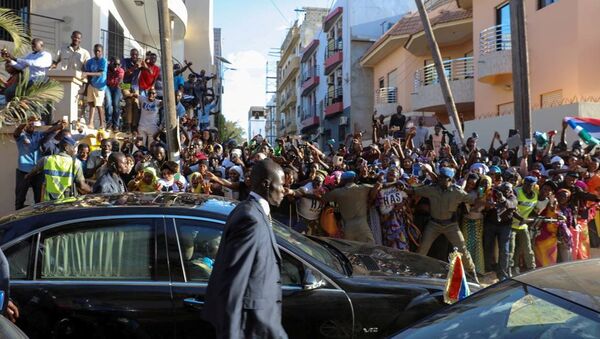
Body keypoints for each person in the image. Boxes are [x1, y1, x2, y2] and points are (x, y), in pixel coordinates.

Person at [204, 159, 288, 338]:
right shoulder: (250, 219)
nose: (284, 190)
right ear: (266, 184)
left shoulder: (252, 211)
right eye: (281, 185)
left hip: (264, 323)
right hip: (252, 326)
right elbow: (234, 282)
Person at [409, 167, 479, 278]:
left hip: (451, 225)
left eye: (444, 178)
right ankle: (415, 271)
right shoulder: (432, 189)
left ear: (450, 179)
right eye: (440, 177)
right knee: (422, 249)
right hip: (434, 224)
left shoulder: (456, 191)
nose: (441, 179)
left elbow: (471, 199)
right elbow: (414, 190)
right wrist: (404, 187)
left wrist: (482, 195)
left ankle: (471, 272)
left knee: (462, 249)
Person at [13, 117, 63, 209]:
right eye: (29, 123)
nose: (31, 125)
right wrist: (25, 122)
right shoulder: (21, 136)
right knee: (19, 200)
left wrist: (60, 126)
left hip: (38, 172)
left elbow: (49, 131)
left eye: (33, 124)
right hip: (23, 172)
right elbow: (17, 131)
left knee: (39, 200)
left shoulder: (38, 135)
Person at [30, 136, 91, 200]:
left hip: (48, 203)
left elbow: (31, 174)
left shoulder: (47, 159)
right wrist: (92, 191)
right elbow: (82, 186)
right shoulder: (76, 163)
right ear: (66, 148)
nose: (74, 150)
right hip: (66, 203)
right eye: (73, 147)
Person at [323, 171, 376, 244]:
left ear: (343, 180)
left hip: (348, 226)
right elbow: (378, 185)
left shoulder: (337, 192)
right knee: (369, 248)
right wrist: (371, 199)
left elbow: (324, 198)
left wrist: (336, 186)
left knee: (350, 251)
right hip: (362, 224)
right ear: (355, 178)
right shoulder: (363, 188)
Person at [84, 44, 108, 129]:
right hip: (91, 84)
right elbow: (87, 72)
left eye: (99, 51)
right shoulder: (90, 61)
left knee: (99, 105)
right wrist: (87, 86)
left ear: (102, 52)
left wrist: (87, 73)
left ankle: (102, 124)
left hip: (100, 86)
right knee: (91, 104)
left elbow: (99, 73)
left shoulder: (103, 61)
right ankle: (91, 123)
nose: (97, 52)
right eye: (96, 50)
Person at [122, 48, 142, 132]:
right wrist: (135, 67)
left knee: (136, 104)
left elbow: (149, 71)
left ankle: (134, 125)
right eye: (133, 54)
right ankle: (128, 125)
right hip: (125, 84)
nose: (134, 56)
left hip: (135, 85)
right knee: (129, 102)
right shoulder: (125, 61)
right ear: (130, 54)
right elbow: (126, 73)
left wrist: (144, 63)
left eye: (136, 55)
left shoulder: (139, 62)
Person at [105, 57, 124, 131]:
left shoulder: (121, 71)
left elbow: (120, 83)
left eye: (118, 64)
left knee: (116, 105)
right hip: (107, 86)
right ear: (110, 63)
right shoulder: (106, 69)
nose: (116, 66)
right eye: (115, 64)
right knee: (108, 104)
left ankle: (116, 125)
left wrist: (127, 87)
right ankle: (109, 123)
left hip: (117, 87)